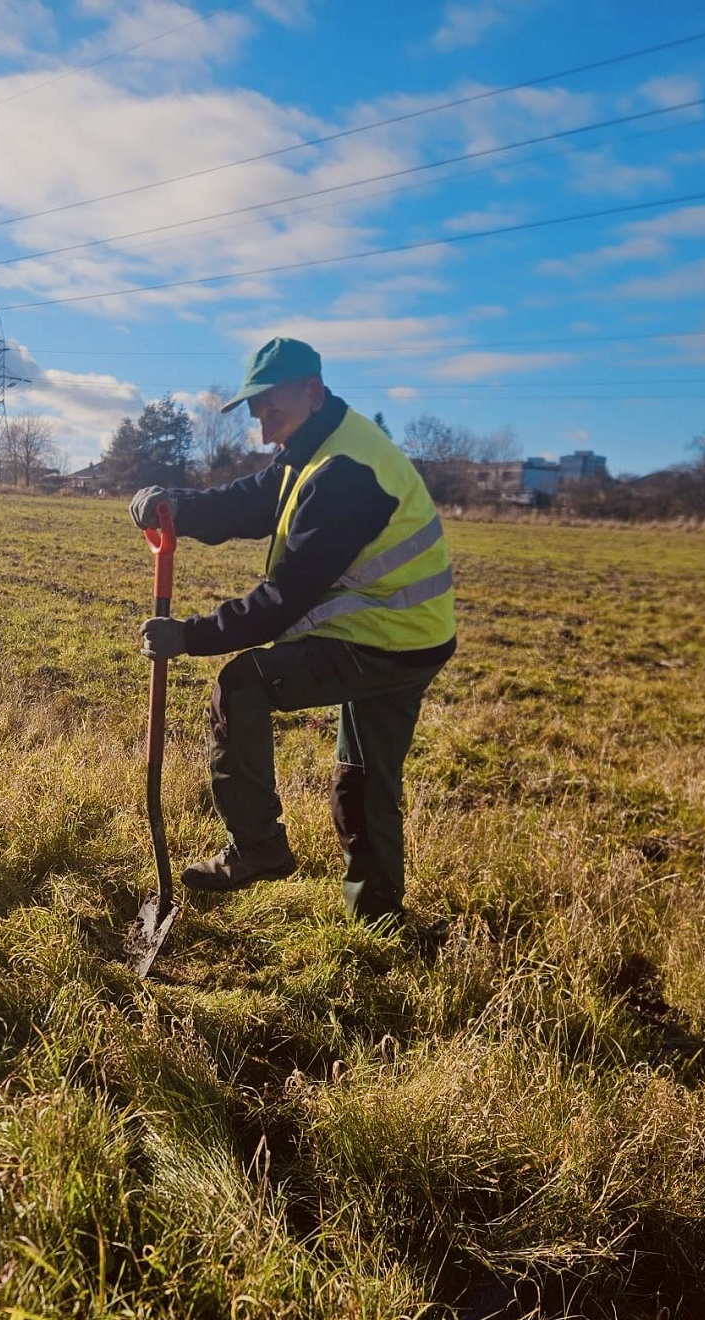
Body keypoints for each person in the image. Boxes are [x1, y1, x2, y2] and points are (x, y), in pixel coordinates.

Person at [130, 337, 455, 924]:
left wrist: (189, 636)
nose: (262, 431)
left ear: (312, 391)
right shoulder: (315, 446)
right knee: (363, 781)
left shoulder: (345, 473)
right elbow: (250, 502)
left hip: (386, 639)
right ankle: (379, 919)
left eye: (271, 413)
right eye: (256, 415)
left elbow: (282, 601)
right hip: (414, 635)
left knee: (241, 686)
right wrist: (174, 506)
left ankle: (258, 847)